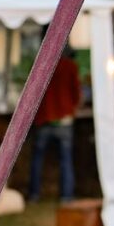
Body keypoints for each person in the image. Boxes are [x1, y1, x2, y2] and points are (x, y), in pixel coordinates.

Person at [28, 43, 80, 202]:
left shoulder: (41, 65)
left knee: (37, 159)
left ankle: (34, 194)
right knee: (66, 159)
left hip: (44, 117)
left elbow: (31, 92)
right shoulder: (70, 66)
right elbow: (76, 93)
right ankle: (66, 196)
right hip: (64, 119)